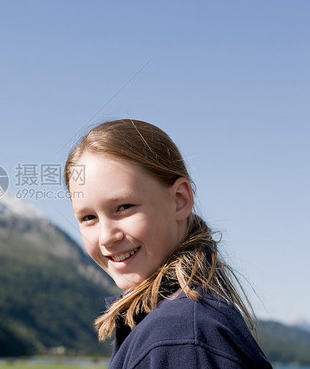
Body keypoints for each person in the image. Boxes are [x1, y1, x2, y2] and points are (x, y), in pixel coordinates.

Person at [65, 119, 271, 368]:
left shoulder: (180, 340)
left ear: (180, 200)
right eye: (89, 218)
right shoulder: (180, 326)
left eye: (124, 207)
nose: (106, 237)